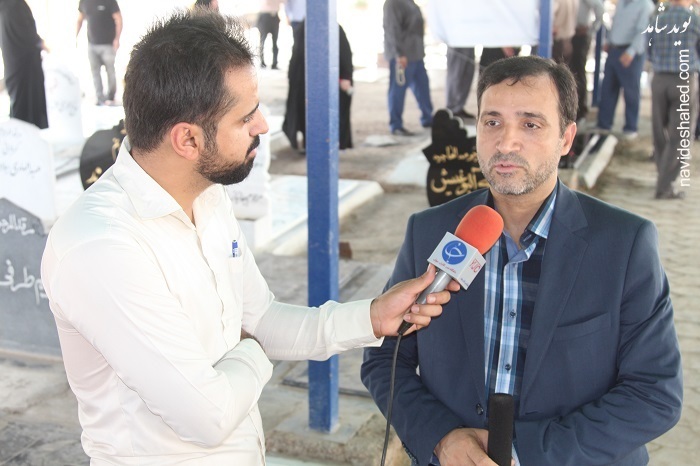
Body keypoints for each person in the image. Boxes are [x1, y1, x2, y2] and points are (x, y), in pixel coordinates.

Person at [41, 11, 456, 464]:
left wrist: (372, 317)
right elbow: (208, 415)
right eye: (245, 117)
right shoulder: (102, 247)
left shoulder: (206, 195)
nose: (263, 126)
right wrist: (255, 351)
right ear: (187, 140)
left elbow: (262, 318)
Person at [362, 56, 682, 466]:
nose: (506, 142)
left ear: (566, 138)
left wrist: (521, 453)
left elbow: (655, 392)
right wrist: (441, 438)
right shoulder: (430, 231)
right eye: (492, 121)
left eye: (530, 124)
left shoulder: (625, 244)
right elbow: (385, 359)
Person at [648, 0, 699, 200]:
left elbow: (649, 50)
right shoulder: (694, 20)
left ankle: (662, 175)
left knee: (659, 131)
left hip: (659, 79)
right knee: (681, 135)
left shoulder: (657, 19)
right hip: (684, 80)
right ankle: (664, 186)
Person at [282, 20, 354, 151]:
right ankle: (309, 143)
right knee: (306, 113)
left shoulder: (332, 27)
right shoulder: (303, 28)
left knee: (329, 114)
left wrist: (346, 76)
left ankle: (330, 143)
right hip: (305, 81)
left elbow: (344, 53)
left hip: (328, 82)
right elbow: (296, 56)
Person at [595, 0, 654, 140]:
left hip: (631, 53)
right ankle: (604, 125)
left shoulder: (645, 5)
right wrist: (609, 41)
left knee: (631, 92)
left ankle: (630, 128)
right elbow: (616, 23)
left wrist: (631, 51)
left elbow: (643, 31)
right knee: (608, 88)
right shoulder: (622, 3)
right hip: (614, 50)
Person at [383, 0, 433, 136]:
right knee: (397, 91)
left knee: (423, 88)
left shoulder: (410, 2)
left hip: (416, 55)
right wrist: (399, 54)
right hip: (402, 57)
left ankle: (428, 119)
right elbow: (392, 29)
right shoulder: (393, 3)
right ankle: (396, 125)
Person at [0, 0, 48, 129]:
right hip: (24, 65)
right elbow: (26, 33)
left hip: (13, 62)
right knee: (25, 106)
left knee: (20, 102)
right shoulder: (15, 5)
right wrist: (41, 43)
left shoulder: (6, 5)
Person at [427, 2, 476, 121]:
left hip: (469, 39)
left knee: (467, 75)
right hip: (455, 40)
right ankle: (452, 108)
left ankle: (459, 107)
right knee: (456, 75)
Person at [76, 0, 122, 106]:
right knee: (95, 72)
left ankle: (111, 96)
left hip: (108, 44)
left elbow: (118, 19)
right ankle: (100, 98)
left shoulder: (110, 1)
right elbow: (80, 20)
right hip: (92, 44)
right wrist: (75, 36)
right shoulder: (84, 2)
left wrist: (117, 39)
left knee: (110, 71)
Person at [568, 0, 604, 121]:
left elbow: (600, 8)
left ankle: (580, 112)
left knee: (578, 72)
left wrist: (590, 30)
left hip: (580, 36)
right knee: (568, 71)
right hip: (569, 35)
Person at [257, 0, 282, 69]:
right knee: (262, 41)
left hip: (275, 16)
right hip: (265, 16)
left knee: (275, 42)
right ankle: (262, 62)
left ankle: (275, 63)